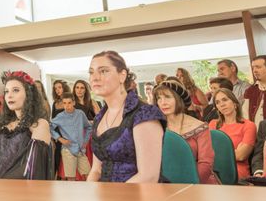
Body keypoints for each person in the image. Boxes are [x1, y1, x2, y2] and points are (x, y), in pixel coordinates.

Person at [88, 51, 166, 183]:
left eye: (103, 71)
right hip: (105, 197)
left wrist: (110, 200)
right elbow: (96, 170)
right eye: (91, 72)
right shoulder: (99, 118)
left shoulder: (144, 114)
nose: (94, 77)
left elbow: (148, 176)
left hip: (139, 198)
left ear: (122, 75)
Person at [0, 71, 53, 180]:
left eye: (15, 90)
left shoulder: (39, 124)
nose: (9, 95)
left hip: (18, 190)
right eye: (6, 91)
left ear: (28, 94)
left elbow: (32, 167)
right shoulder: (3, 126)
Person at [154, 79, 219, 184]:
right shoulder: (154, 128)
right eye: (159, 98)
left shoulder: (199, 127)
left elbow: (206, 163)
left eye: (167, 97)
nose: (163, 103)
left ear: (179, 99)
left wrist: (188, 184)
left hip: (198, 183)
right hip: (164, 185)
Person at [209, 88, 256, 179]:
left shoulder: (248, 125)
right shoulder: (213, 124)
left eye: (225, 100)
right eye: (218, 102)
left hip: (237, 173)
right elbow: (207, 153)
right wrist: (233, 150)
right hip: (213, 172)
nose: (222, 104)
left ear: (234, 103)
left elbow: (241, 155)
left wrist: (217, 152)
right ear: (217, 108)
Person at [51, 93, 92, 181]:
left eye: (69, 103)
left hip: (81, 150)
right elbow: (49, 127)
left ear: (73, 102)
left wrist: (85, 142)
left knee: (88, 175)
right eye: (64, 103)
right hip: (68, 150)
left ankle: (88, 194)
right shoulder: (60, 117)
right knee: (71, 178)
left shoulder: (80, 114)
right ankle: (71, 194)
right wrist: (60, 139)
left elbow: (89, 127)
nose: (67, 106)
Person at [243, 55, 266, 125]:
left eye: (258, 67)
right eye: (253, 68)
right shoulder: (250, 90)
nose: (254, 70)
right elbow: (245, 115)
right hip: (255, 133)